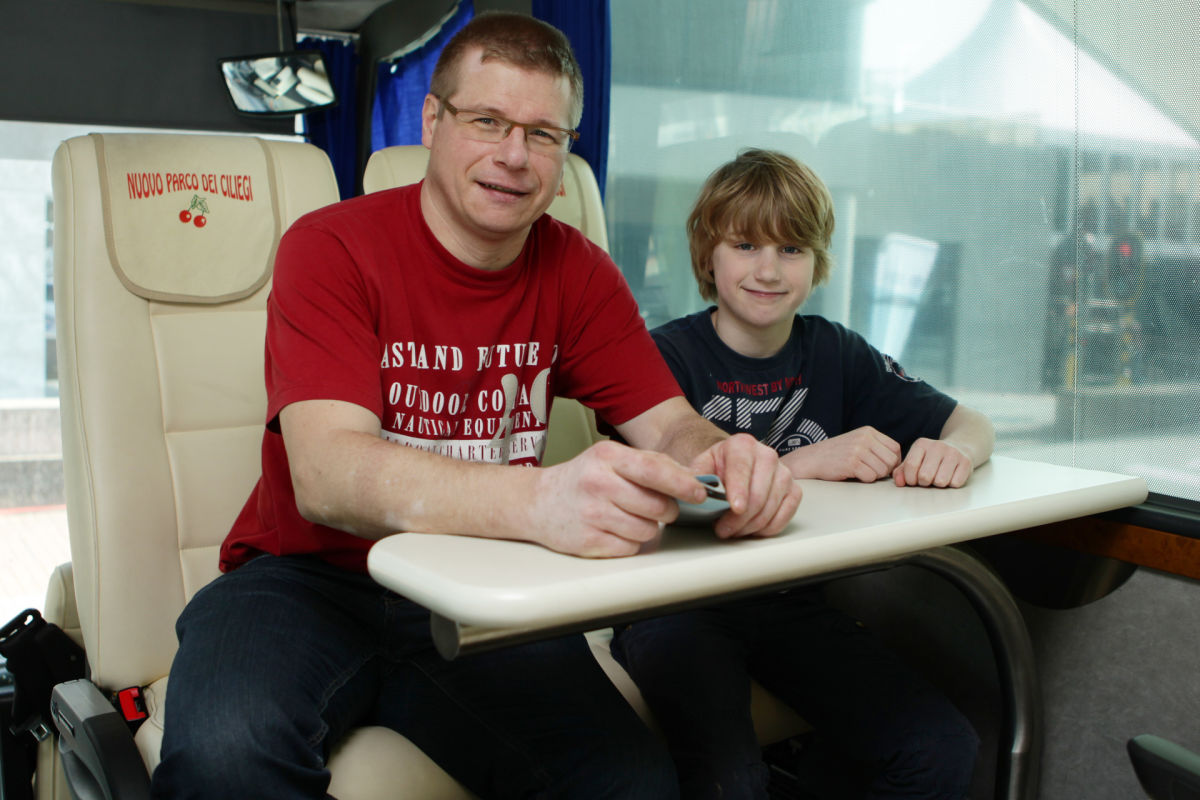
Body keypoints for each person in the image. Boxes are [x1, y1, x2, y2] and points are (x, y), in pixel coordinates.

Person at [150, 15, 802, 800]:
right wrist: (541, 500)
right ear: (432, 121)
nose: (514, 156)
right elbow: (325, 475)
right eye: (487, 121)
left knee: (631, 783)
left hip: (481, 584)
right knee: (225, 759)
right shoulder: (331, 247)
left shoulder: (580, 272)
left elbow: (668, 424)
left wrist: (721, 455)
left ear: (565, 152)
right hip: (307, 581)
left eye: (543, 133)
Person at [609, 149, 996, 799]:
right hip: (673, 608)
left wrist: (953, 451)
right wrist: (798, 466)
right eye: (746, 245)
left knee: (940, 748)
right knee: (732, 783)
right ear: (708, 254)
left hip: (790, 607)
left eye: (791, 249)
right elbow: (648, 509)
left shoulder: (838, 352)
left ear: (817, 262)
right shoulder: (662, 357)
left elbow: (971, 423)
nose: (768, 269)